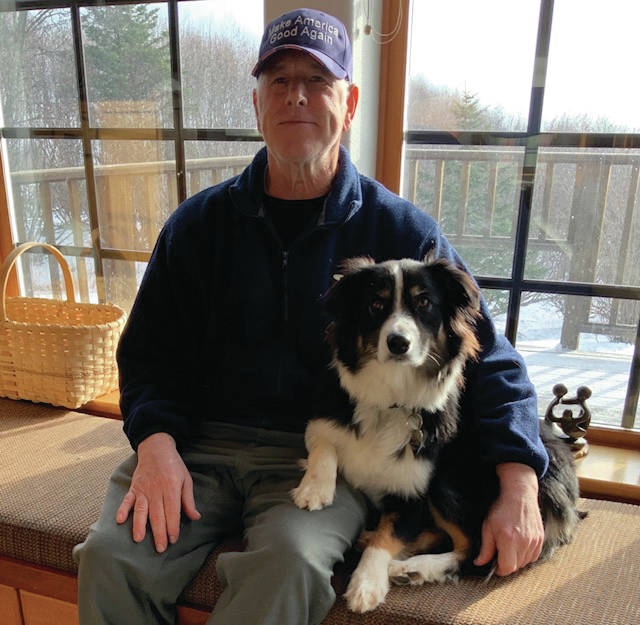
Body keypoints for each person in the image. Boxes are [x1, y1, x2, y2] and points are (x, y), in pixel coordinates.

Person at [74, 8, 547, 625]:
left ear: (348, 105)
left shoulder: (402, 231)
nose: (296, 95)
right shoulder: (196, 227)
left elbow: (490, 358)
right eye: (279, 80)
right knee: (110, 560)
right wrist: (155, 446)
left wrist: (520, 481)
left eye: (318, 82)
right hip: (195, 445)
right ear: (257, 105)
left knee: (291, 565)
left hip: (322, 450)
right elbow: (145, 357)